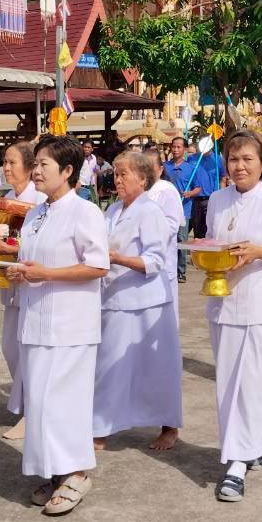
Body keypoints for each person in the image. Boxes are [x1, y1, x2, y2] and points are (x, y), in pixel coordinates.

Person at [5, 135, 109, 517]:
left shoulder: (86, 213)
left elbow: (98, 266)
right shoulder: (34, 214)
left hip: (70, 325)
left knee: (64, 403)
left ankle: (78, 473)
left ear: (67, 171)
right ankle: (55, 470)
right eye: (35, 164)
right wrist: (18, 272)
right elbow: (30, 262)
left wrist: (46, 274)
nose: (36, 170)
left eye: (44, 165)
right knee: (41, 403)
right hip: (34, 321)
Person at [204, 130, 262, 503]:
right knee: (229, 381)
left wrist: (258, 251)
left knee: (253, 382)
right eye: (233, 159)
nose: (239, 166)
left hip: (259, 304)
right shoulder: (216, 199)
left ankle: (237, 464)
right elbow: (210, 240)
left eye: (247, 159)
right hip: (222, 301)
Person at [93, 150, 181, 452]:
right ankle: (102, 425)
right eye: (115, 174)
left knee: (157, 367)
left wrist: (119, 258)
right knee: (110, 364)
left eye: (124, 174)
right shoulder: (113, 210)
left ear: (142, 179)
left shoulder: (150, 211)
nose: (117, 179)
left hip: (147, 302)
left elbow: (155, 260)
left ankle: (169, 426)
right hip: (115, 296)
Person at [0, 142, 46, 441]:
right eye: (4, 162)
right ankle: (28, 406)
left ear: (30, 168)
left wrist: (12, 250)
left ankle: (34, 413)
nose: (6, 168)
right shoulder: (5, 198)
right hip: (10, 282)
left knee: (28, 351)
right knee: (10, 348)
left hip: (35, 286)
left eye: (12, 163)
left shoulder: (40, 200)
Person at [161, 137, 204, 284]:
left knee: (181, 241)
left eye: (179, 147)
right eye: (173, 146)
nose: (175, 149)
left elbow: (198, 188)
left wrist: (190, 193)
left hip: (184, 210)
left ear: (185, 150)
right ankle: (166, 269)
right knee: (165, 240)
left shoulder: (191, 168)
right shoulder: (164, 167)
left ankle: (181, 272)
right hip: (165, 210)